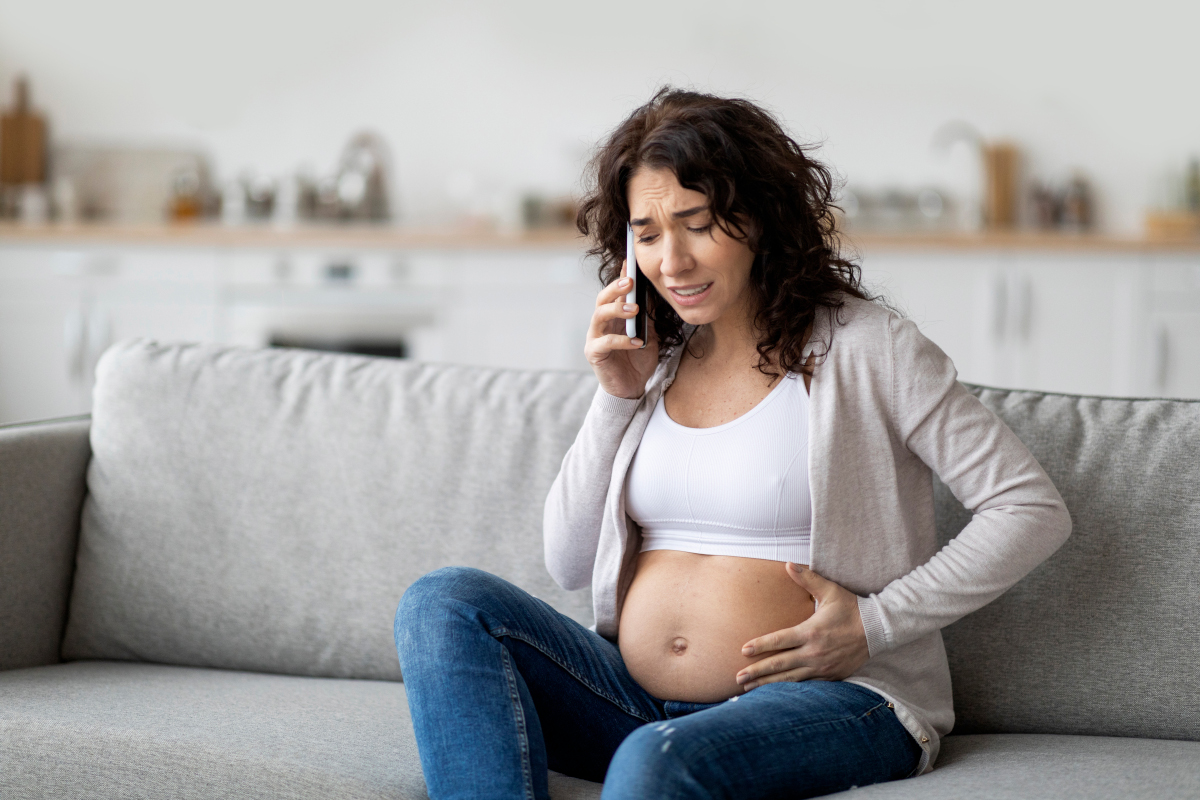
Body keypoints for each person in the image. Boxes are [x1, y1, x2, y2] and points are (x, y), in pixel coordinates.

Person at [395, 87, 1072, 800]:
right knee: (443, 602)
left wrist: (875, 625)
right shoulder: (653, 359)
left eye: (696, 223)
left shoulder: (868, 348)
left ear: (758, 217)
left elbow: (1029, 508)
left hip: (837, 698)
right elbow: (566, 562)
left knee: (655, 765)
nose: (673, 261)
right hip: (638, 706)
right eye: (648, 234)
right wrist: (613, 397)